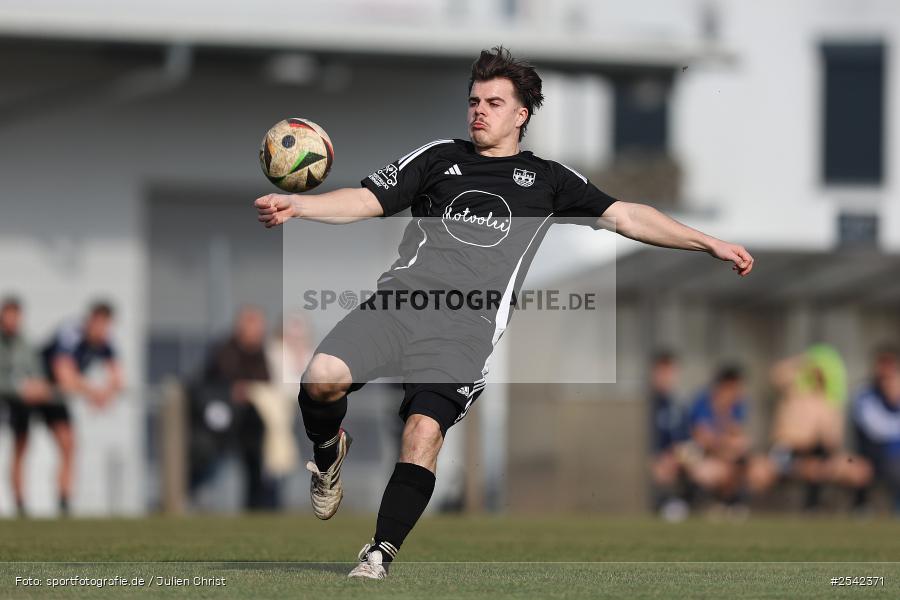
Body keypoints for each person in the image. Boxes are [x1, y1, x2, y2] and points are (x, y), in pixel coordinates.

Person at [254, 46, 754, 579]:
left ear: (521, 115)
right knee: (320, 379)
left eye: (494, 102)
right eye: (474, 100)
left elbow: (627, 215)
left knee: (423, 433)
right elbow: (366, 201)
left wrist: (706, 242)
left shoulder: (549, 180)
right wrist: (301, 206)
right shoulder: (438, 158)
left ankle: (378, 553)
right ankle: (329, 450)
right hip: (400, 304)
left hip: (465, 331)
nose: (479, 110)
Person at [748, 346, 871, 510]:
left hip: (819, 455)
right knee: (758, 471)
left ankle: (859, 510)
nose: (819, 373)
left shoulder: (831, 403)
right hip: (786, 453)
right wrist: (807, 359)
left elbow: (833, 443)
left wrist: (826, 456)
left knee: (860, 469)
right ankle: (743, 508)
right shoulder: (794, 391)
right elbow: (776, 375)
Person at [34, 301, 123, 515]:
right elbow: (64, 377)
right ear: (90, 320)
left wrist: (106, 394)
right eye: (99, 323)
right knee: (21, 446)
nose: (102, 330)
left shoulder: (105, 341)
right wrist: (94, 392)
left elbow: (117, 377)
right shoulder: (70, 332)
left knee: (68, 444)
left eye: (106, 325)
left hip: (54, 398)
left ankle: (64, 502)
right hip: (33, 390)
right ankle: (20, 504)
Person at [194, 306, 277, 509]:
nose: (258, 332)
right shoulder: (225, 351)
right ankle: (187, 499)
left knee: (257, 469)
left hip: (250, 423)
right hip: (220, 426)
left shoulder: (261, 354)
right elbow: (207, 385)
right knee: (208, 466)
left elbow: (266, 382)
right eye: (254, 326)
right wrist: (232, 392)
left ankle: (257, 511)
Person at [0, 297, 55, 517]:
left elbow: (36, 372)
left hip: (18, 406)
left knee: (20, 450)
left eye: (15, 316)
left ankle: (19, 502)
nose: (12, 320)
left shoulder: (26, 343)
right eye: (8, 315)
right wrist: (19, 388)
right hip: (6, 399)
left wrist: (38, 386)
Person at [679, 366, 751, 512]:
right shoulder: (702, 401)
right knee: (697, 462)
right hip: (699, 454)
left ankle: (728, 503)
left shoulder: (737, 406)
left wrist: (723, 413)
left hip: (722, 456)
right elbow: (702, 438)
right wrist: (724, 444)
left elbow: (738, 437)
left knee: (741, 458)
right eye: (735, 387)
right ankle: (688, 504)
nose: (738, 392)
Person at [851, 345, 900, 512]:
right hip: (873, 457)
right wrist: (893, 403)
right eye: (882, 364)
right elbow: (877, 429)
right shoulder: (865, 394)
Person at [647, 351, 690, 520]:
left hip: (675, 456)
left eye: (670, 372)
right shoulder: (648, 404)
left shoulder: (677, 404)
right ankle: (666, 504)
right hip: (656, 458)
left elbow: (685, 437)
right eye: (662, 372)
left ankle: (681, 503)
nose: (667, 377)